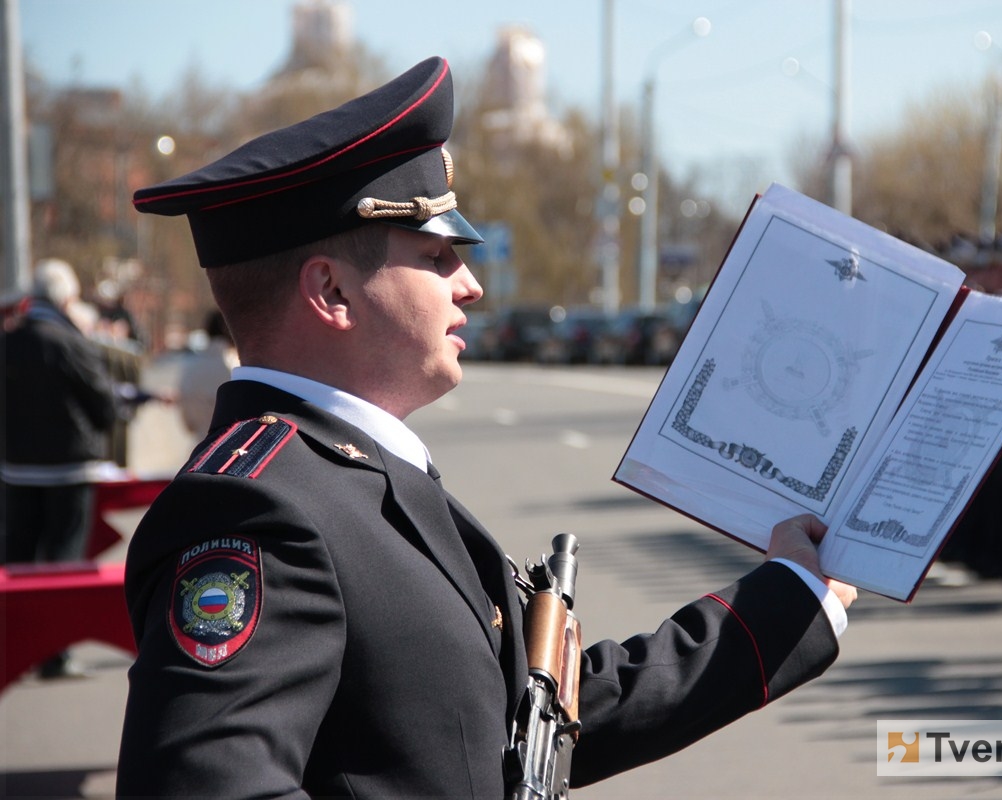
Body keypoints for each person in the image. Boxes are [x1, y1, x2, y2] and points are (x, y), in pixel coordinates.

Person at [115, 56, 856, 798]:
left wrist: (791, 597)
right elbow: (207, 786)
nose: (470, 282)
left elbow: (524, 719)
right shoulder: (260, 508)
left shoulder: (348, 474)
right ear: (332, 291)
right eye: (436, 256)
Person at [2, 258, 120, 678]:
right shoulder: (69, 342)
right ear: (66, 298)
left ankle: (12, 646)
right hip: (69, 469)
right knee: (63, 563)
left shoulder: (8, 341)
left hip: (15, 469)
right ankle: (55, 653)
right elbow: (105, 406)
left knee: (17, 562)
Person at [176, 308, 239, 437]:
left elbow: (187, 416)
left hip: (202, 443)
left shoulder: (191, 366)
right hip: (238, 444)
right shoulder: (237, 365)